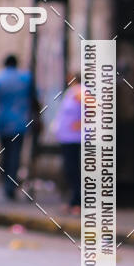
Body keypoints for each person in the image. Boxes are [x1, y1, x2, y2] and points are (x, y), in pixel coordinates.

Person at [0, 54, 38, 200]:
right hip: (20, 123)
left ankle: (8, 183)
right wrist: (38, 119)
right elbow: (35, 101)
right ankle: (10, 184)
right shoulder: (26, 78)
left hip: (3, 123)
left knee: (5, 155)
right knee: (15, 154)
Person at [54, 73, 82, 213]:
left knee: (74, 169)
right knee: (70, 170)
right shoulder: (71, 92)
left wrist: (84, 122)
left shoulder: (80, 91)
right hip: (67, 138)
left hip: (75, 138)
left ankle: (79, 201)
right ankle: (73, 200)